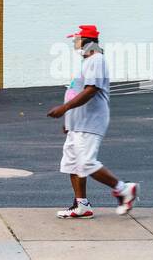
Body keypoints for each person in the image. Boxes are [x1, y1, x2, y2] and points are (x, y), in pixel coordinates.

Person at [46, 25, 138, 218]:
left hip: (90, 123)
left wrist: (64, 109)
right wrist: (68, 119)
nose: (74, 43)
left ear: (87, 41)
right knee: (72, 164)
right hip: (77, 124)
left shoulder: (96, 59)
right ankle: (82, 206)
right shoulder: (88, 61)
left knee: (86, 163)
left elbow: (91, 90)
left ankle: (123, 189)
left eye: (76, 40)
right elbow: (78, 91)